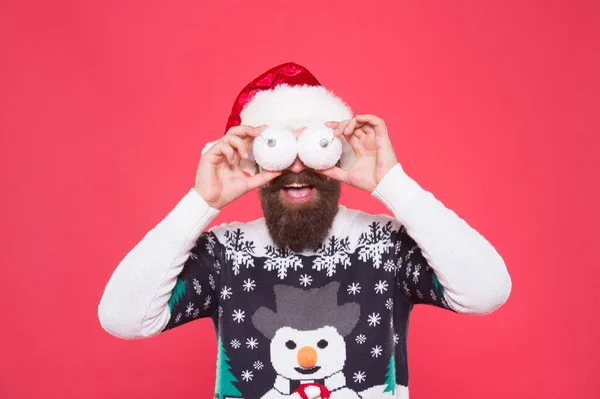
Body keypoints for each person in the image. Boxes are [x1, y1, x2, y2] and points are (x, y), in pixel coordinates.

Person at [98, 62, 511, 399]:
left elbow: (485, 291)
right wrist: (201, 203)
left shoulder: (385, 246)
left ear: (334, 150)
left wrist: (393, 183)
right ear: (256, 161)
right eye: (279, 150)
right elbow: (124, 318)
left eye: (310, 148)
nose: (297, 168)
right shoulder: (227, 254)